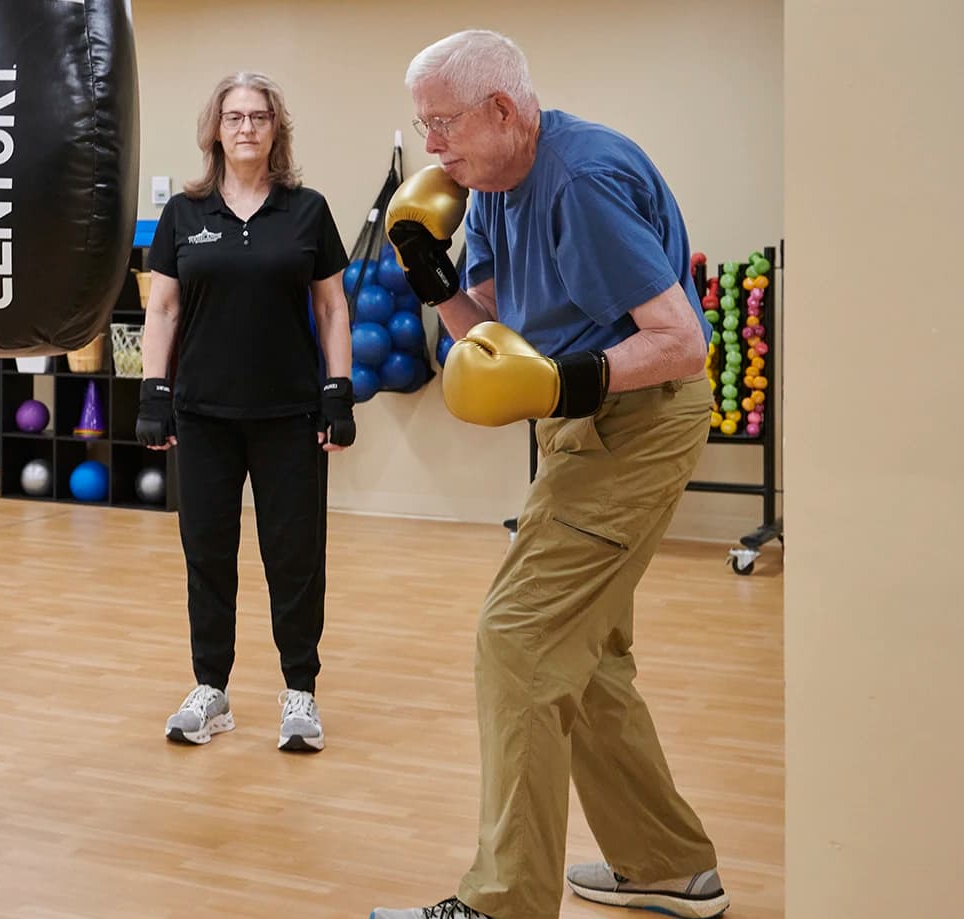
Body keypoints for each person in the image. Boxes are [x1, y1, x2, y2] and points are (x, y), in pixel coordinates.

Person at [369, 31, 729, 919]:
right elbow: (491, 337)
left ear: (504, 108)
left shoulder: (579, 179)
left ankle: (503, 903)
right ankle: (667, 864)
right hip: (588, 425)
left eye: (444, 123)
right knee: (587, 654)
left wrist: (573, 380)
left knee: (518, 638)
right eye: (421, 126)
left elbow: (679, 342)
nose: (432, 147)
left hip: (637, 422)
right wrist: (429, 274)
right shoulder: (496, 183)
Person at [138, 72, 357, 754]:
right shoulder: (184, 213)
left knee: (294, 555)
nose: (245, 127)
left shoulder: (307, 211)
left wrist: (339, 389)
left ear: (275, 129)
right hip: (203, 413)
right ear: (215, 130)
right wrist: (153, 392)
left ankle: (300, 691)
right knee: (207, 552)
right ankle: (212, 689)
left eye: (258, 116)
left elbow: (331, 306)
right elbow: (164, 308)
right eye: (233, 116)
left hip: (289, 413)